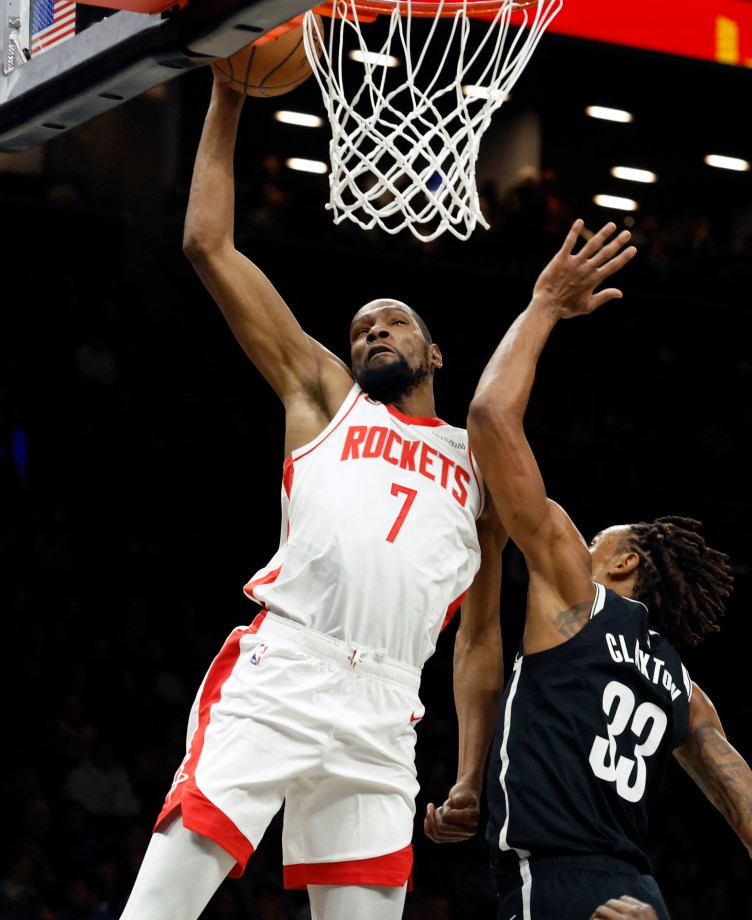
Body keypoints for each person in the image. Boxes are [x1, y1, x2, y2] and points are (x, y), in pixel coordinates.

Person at [116, 74, 505, 920]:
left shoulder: (483, 467)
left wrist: (472, 771)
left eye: (393, 321)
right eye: (362, 325)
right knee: (160, 907)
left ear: (435, 353)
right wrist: (227, 97)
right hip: (287, 670)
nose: (373, 332)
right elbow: (208, 246)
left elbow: (480, 641)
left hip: (388, 709)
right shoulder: (325, 395)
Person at [426, 220, 752, 919]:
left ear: (624, 561)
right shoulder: (685, 691)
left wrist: (544, 303)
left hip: (559, 885)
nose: (587, 540)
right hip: (639, 895)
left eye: (603, 536)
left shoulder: (575, 590)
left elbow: (488, 417)